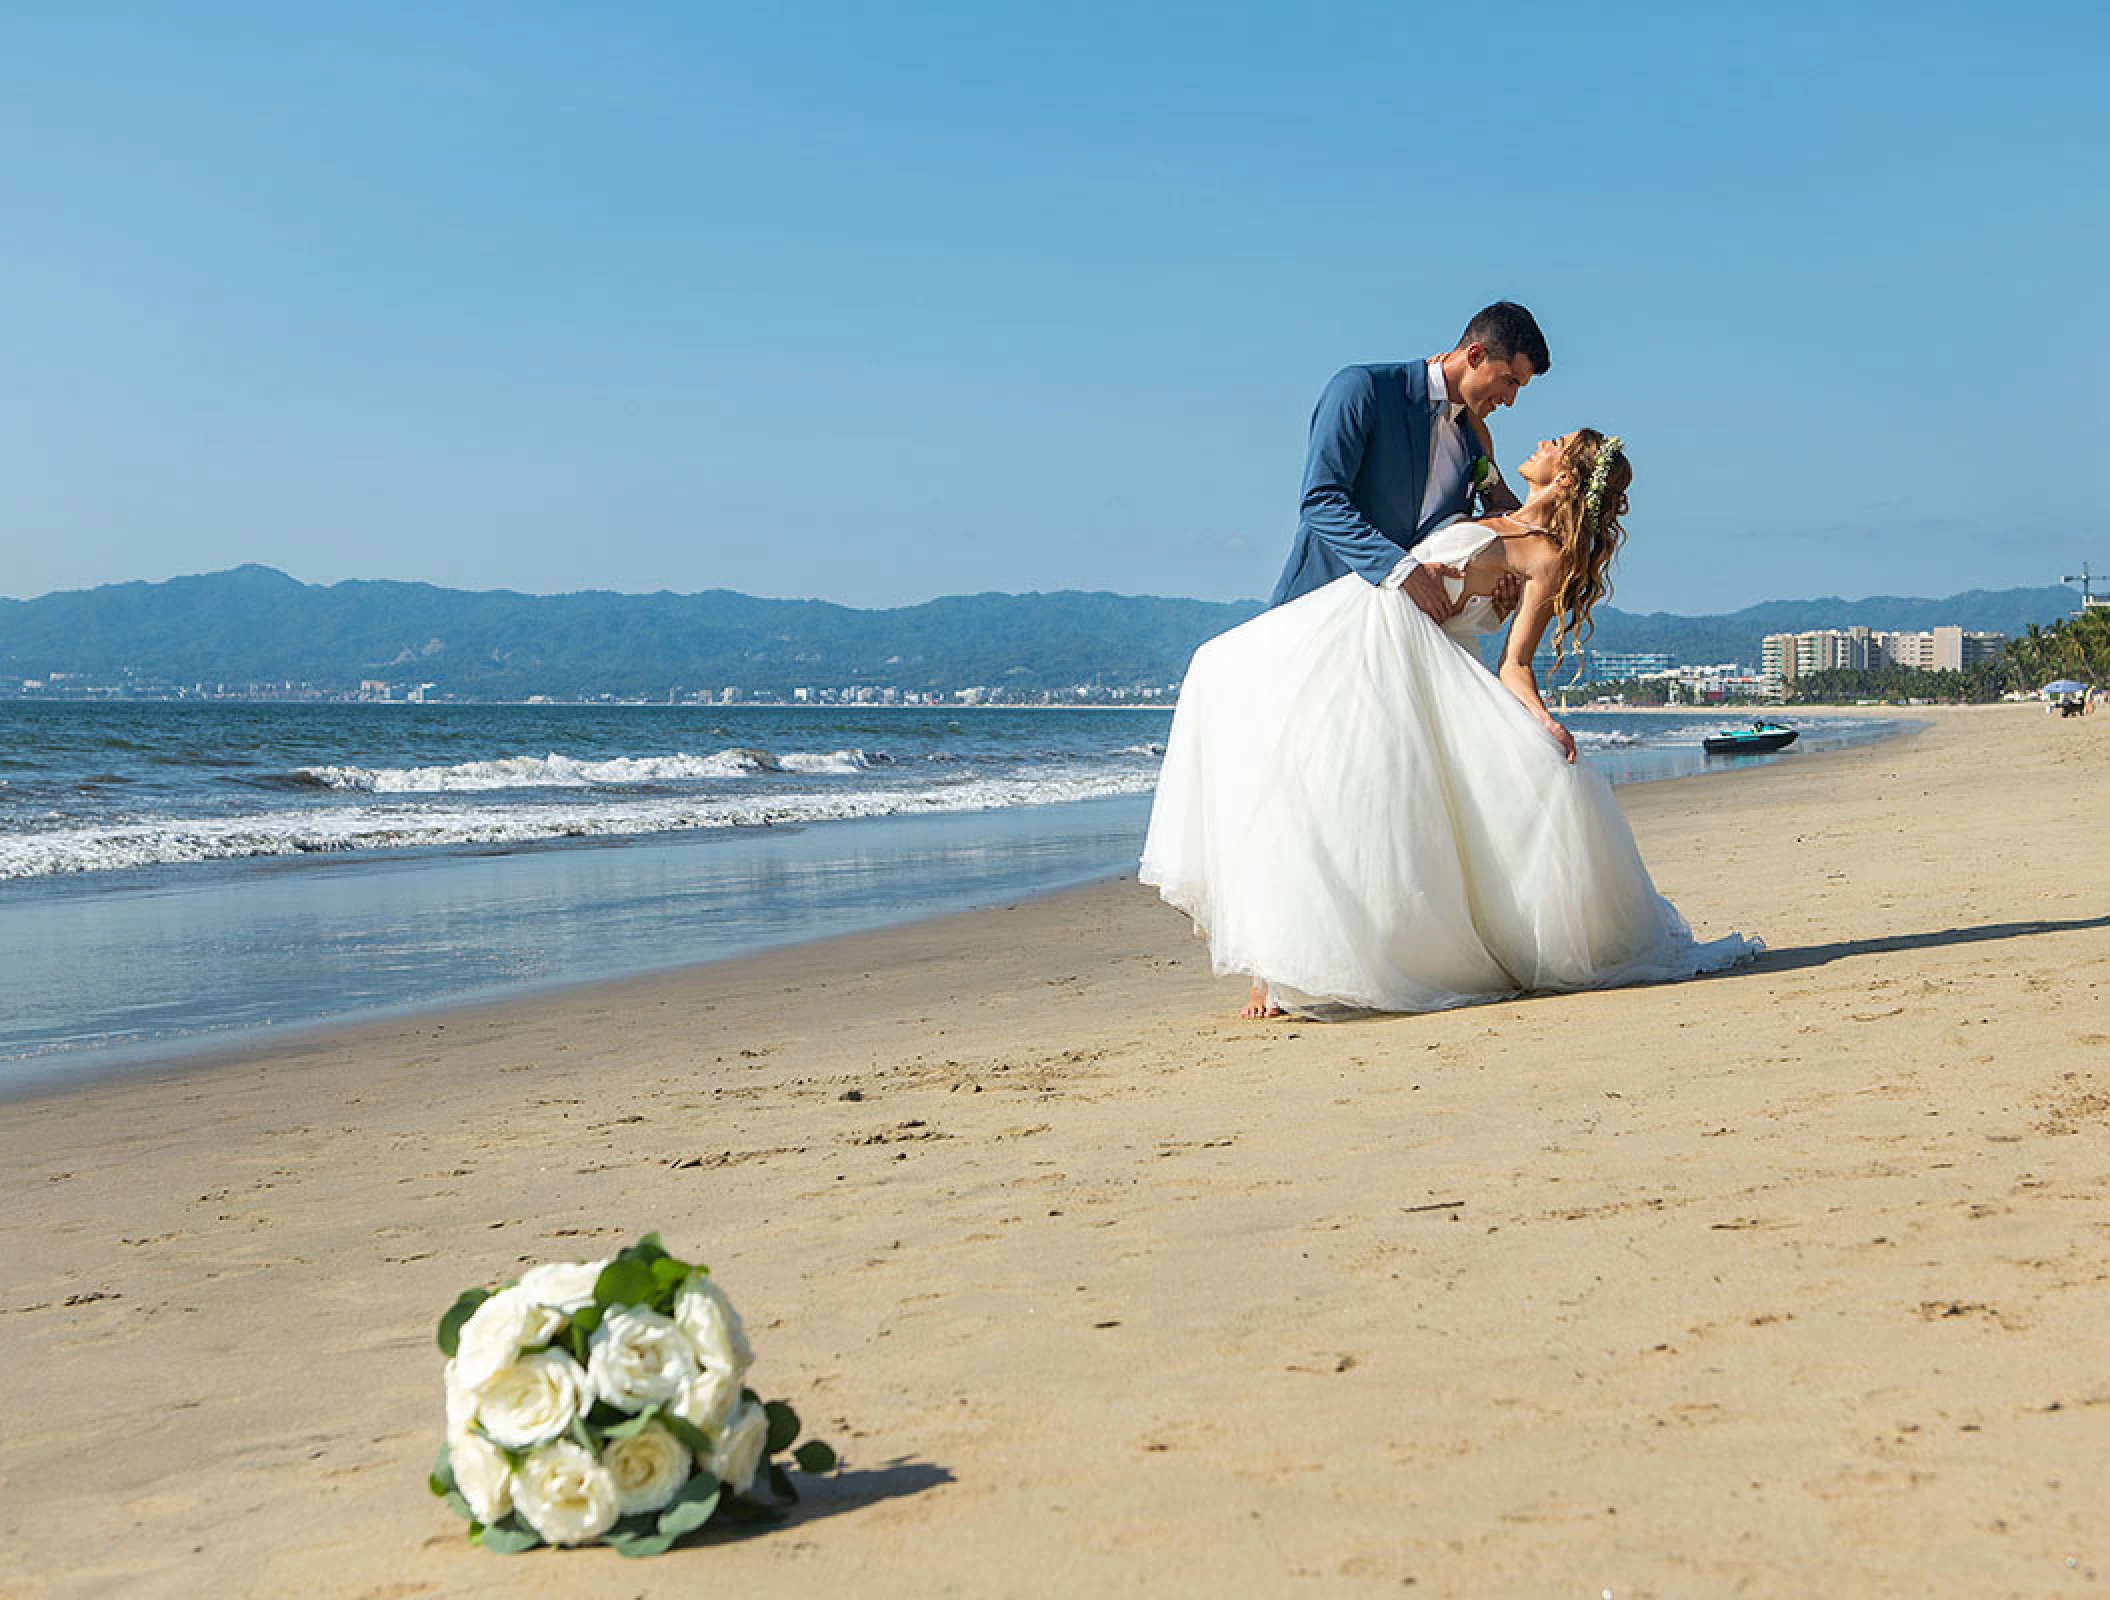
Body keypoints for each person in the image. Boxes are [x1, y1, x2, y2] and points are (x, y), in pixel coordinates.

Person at [1142, 429, 1758, 1018]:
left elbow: (1515, 663)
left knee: (1329, 792)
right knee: (1231, 682)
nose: (1542, 442)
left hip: (1398, 658)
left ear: (1567, 475)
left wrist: (1542, 723)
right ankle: (1272, 964)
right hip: (1358, 622)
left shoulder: (1545, 560)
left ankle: (1282, 967)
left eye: (1558, 445)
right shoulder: (1499, 503)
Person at [1270, 302, 1547, 628]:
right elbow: (1321, 502)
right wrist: (1401, 569)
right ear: (1474, 356)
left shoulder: (1475, 444)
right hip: (1314, 615)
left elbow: (1495, 522)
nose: (1510, 400)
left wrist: (1501, 581)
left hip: (1394, 638)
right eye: (1509, 381)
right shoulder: (1364, 389)